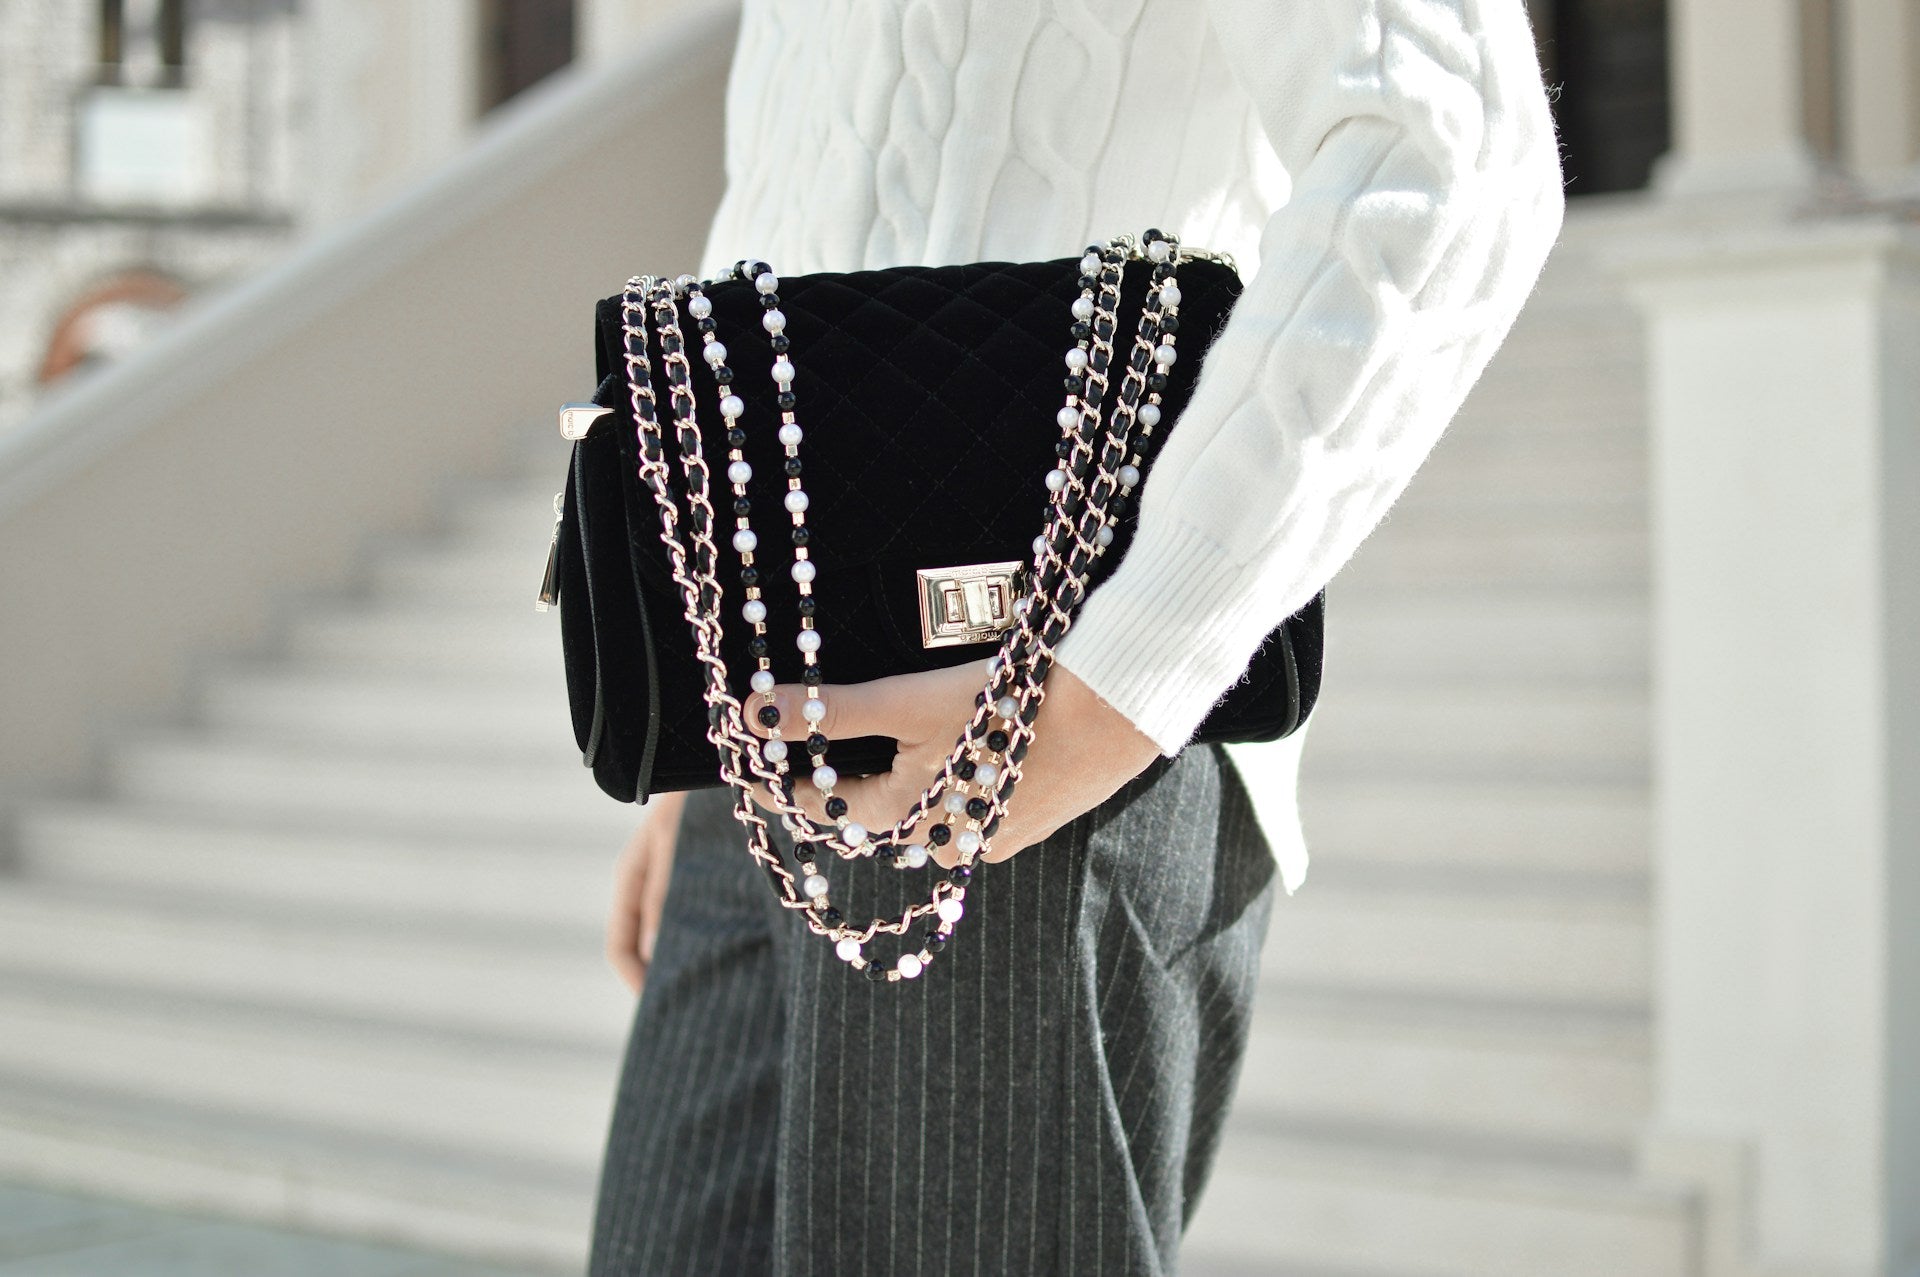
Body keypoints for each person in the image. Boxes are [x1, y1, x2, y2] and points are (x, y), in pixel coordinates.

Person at [589, 0, 1566, 1273]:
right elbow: (797, 183)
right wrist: (702, 667)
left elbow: (1452, 145)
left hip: (1046, 733)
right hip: (768, 738)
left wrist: (1112, 680)